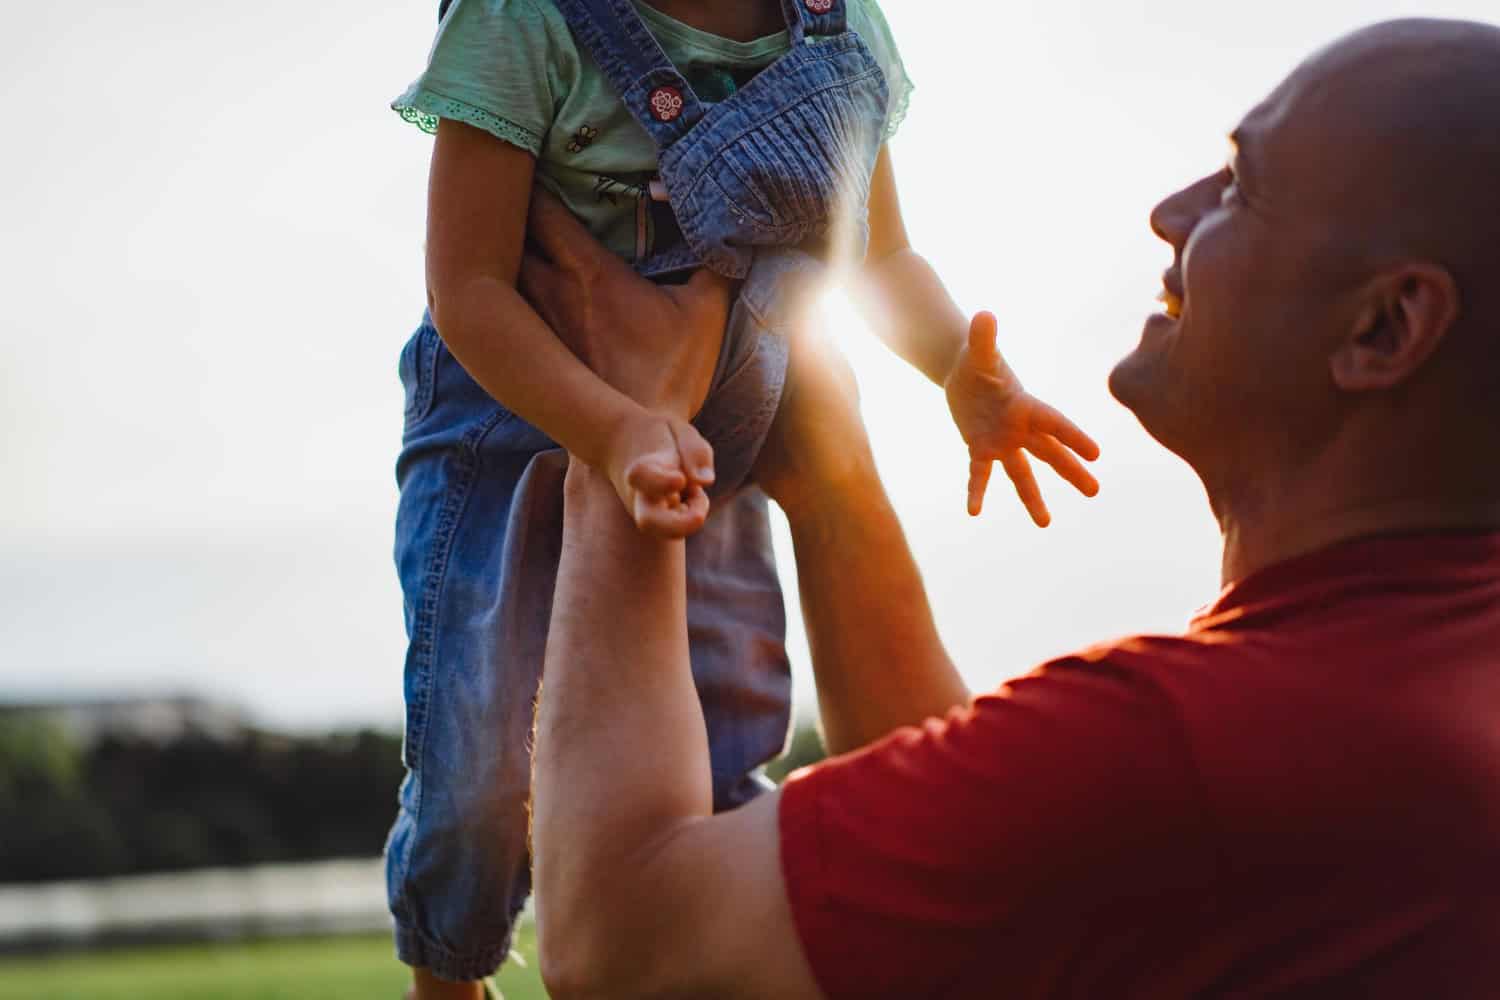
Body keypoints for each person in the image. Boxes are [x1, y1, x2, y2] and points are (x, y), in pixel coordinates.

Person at [527, 17, 1500, 998]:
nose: (1172, 210)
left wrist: (627, 433)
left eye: (1243, 188)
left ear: (1384, 328)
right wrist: (835, 489)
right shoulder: (1416, 695)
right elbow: (1002, 862)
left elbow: (626, 942)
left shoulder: (1204, 747)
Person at [384, 1, 1099, 994]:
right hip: (508, 429)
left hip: (718, 417)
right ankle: (448, 973)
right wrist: (612, 427)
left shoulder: (839, 29)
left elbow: (879, 256)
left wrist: (967, 378)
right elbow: (468, 287)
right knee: (478, 755)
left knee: (712, 723)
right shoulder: (524, 21)